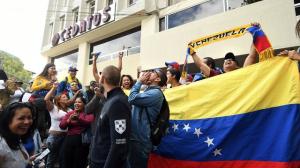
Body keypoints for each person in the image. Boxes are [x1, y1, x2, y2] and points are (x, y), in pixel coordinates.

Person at [90, 65, 131, 168]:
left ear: (102, 78)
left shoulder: (118, 103)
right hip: (97, 161)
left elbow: (119, 145)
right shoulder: (110, 100)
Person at [127, 69, 167, 168]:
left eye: (153, 72)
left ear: (158, 79)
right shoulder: (148, 90)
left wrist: (139, 82)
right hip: (136, 138)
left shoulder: (156, 94)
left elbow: (132, 98)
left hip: (140, 140)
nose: (149, 73)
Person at [59, 96, 94, 168]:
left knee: (79, 162)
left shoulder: (88, 113)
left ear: (84, 104)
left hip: (82, 141)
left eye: (79, 102)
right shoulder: (70, 113)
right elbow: (62, 126)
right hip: (69, 140)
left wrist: (78, 119)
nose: (76, 104)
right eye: (75, 102)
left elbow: (89, 122)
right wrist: (69, 120)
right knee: (67, 161)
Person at [44, 82, 72, 168]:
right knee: (51, 159)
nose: (66, 98)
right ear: (59, 100)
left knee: (62, 158)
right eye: (64, 97)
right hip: (54, 137)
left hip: (65, 137)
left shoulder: (70, 110)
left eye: (67, 97)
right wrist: (54, 88)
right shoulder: (54, 108)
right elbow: (46, 99)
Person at [0, 102, 35, 168]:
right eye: (21, 118)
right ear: (7, 120)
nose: (27, 122)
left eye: (29, 117)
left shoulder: (16, 137)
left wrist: (28, 162)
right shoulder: (1, 145)